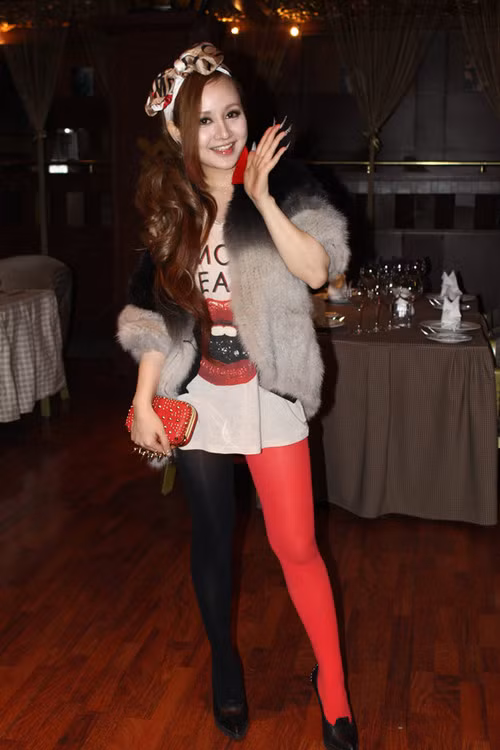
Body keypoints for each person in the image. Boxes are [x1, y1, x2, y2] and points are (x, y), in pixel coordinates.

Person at [117, 42, 358, 750]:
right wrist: (144, 399)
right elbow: (156, 316)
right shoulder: (175, 209)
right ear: (179, 131)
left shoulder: (286, 179)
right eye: (205, 120)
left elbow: (317, 270)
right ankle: (225, 663)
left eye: (233, 114)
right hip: (201, 395)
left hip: (270, 388)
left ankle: (333, 685)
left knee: (297, 545)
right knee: (214, 540)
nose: (224, 132)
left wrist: (262, 200)